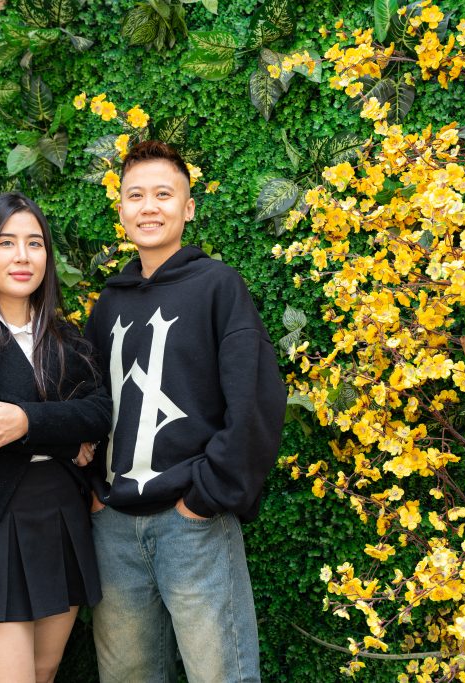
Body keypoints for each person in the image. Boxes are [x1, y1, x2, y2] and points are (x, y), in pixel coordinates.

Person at [83, 140, 286, 683]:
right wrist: (94, 491)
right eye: (136, 196)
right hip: (113, 528)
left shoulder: (219, 287)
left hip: (193, 526)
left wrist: (203, 498)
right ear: (121, 209)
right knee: (126, 676)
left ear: (188, 207)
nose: (149, 207)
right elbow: (88, 404)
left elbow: (256, 401)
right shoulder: (108, 303)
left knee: (221, 674)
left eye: (164, 194)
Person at [0, 192, 111, 683]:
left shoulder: (66, 337)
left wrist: (26, 421)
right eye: (6, 242)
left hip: (61, 514)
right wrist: (63, 436)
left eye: (34, 243)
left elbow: (99, 411)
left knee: (44, 672)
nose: (22, 256)